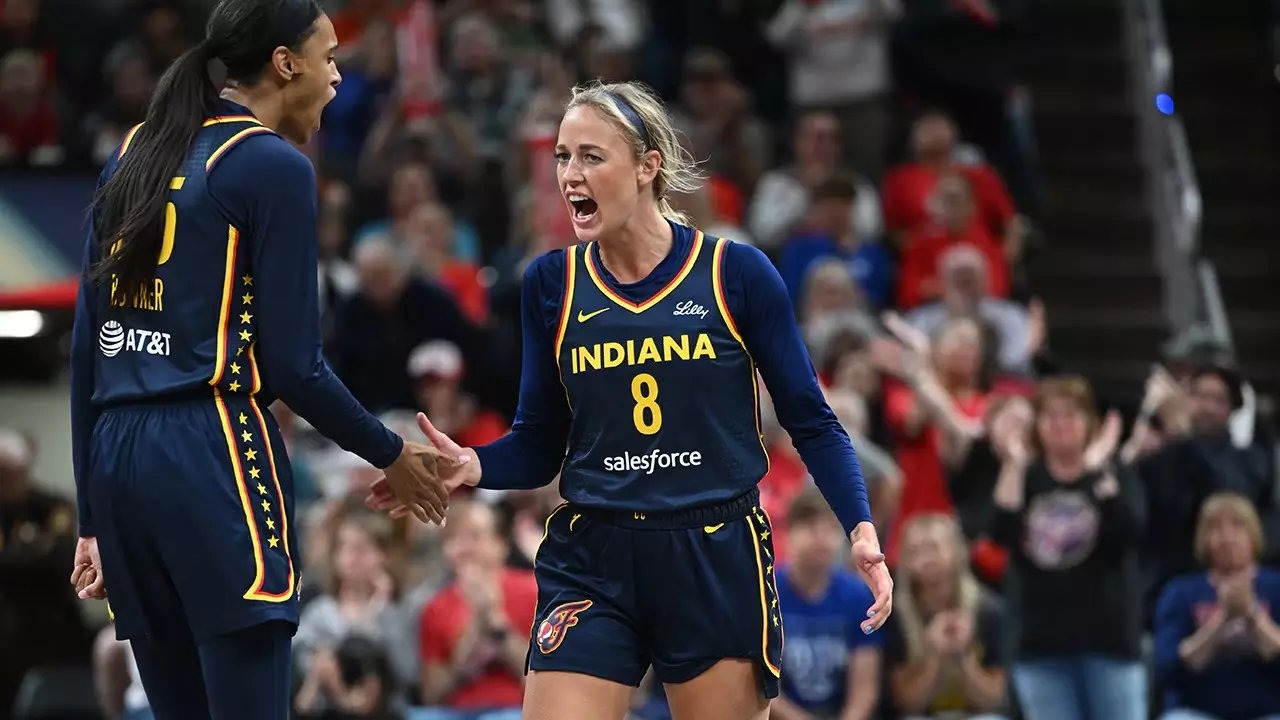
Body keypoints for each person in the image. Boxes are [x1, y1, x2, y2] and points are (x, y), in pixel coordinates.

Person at [370, 80, 893, 720]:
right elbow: (540, 441)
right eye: (562, 157)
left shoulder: (736, 273)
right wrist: (475, 465)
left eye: (592, 156)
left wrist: (861, 528)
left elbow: (812, 421)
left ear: (648, 166)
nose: (570, 175)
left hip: (711, 545)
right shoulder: (551, 283)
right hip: (595, 552)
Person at [67, 1, 448, 718]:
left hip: (118, 466)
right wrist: (390, 450)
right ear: (285, 64)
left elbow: (88, 348)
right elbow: (294, 368)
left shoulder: (136, 147)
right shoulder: (272, 165)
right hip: (209, 451)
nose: (338, 76)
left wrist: (90, 518)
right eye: (330, 57)